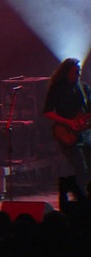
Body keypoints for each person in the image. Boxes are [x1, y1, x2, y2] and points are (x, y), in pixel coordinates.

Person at [44, 58, 91, 193]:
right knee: (81, 167)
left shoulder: (84, 88)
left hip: (85, 133)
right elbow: (48, 112)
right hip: (66, 132)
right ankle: (82, 197)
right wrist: (68, 122)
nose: (78, 74)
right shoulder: (57, 89)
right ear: (67, 71)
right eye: (75, 71)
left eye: (79, 71)